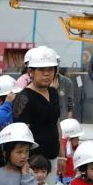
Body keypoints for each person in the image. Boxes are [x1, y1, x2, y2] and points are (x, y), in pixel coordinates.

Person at [12, 47, 64, 175]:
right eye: (41, 69)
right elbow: (21, 135)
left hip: (52, 158)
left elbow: (56, 124)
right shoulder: (23, 98)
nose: (46, 74)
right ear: (31, 72)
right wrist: (24, 162)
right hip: (33, 163)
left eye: (50, 69)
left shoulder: (53, 93)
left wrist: (61, 155)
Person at [58, 118, 83, 184]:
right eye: (77, 137)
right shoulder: (63, 146)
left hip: (71, 176)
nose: (78, 139)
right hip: (63, 177)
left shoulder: (72, 145)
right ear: (70, 138)